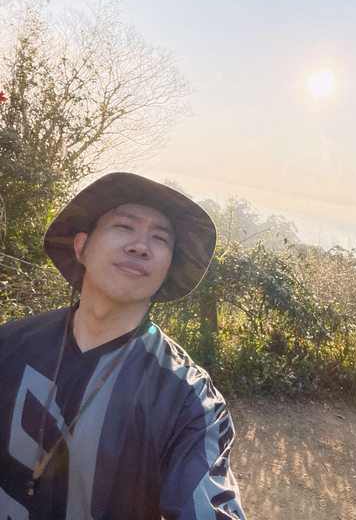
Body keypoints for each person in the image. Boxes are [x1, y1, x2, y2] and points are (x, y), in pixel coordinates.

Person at [0, 172, 246, 520]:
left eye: (159, 238)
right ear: (81, 246)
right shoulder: (10, 345)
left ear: (168, 269)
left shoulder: (187, 399)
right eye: (124, 226)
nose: (140, 246)